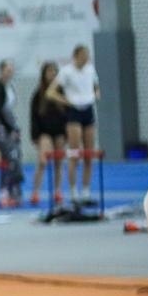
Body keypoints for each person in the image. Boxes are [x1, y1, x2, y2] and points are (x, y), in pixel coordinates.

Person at [51, 44, 100, 204]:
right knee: (75, 153)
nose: (86, 59)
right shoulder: (67, 71)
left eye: (87, 56)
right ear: (76, 56)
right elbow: (51, 92)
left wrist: (96, 94)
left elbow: (96, 86)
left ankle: (86, 191)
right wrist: (66, 101)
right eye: (83, 55)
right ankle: (73, 191)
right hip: (74, 111)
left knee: (88, 154)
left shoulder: (90, 69)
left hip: (88, 109)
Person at [27, 61, 67, 207]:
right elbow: (33, 117)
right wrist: (35, 136)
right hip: (44, 132)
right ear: (44, 74)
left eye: (54, 72)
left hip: (60, 132)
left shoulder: (62, 93)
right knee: (42, 161)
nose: (52, 74)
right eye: (49, 72)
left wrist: (67, 134)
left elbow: (68, 114)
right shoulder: (38, 94)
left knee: (59, 162)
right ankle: (35, 191)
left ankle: (57, 191)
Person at [0, 60, 24, 208]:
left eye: (11, 70)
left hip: (10, 122)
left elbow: (10, 109)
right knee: (8, 157)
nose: (10, 73)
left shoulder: (10, 87)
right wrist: (10, 129)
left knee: (15, 156)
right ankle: (4, 191)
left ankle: (13, 189)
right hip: (1, 125)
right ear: (1, 71)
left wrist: (15, 127)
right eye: (7, 70)